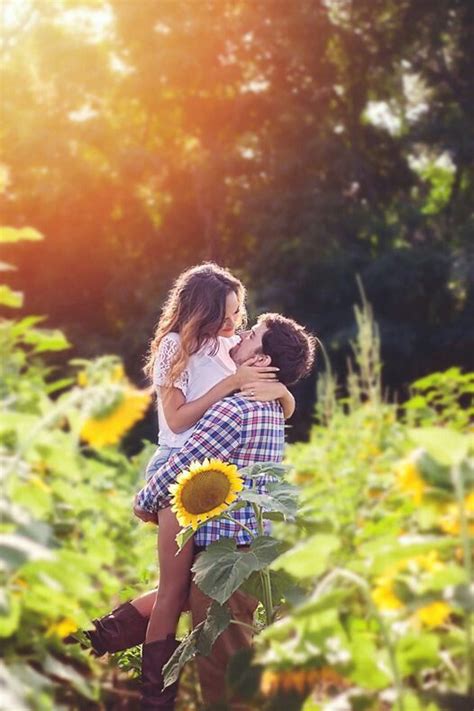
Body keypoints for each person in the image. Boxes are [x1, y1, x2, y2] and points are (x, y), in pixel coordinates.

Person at [69, 266, 295, 676]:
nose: (234, 323)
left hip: (211, 471)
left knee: (198, 587)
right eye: (227, 314)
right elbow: (177, 421)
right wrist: (232, 384)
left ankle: (97, 637)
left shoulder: (226, 347)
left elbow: (264, 388)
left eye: (239, 313)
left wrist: (282, 392)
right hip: (177, 472)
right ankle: (157, 692)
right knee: (175, 591)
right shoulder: (176, 346)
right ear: (201, 310)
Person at [134, 311, 316, 709]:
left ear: (262, 361)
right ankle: (107, 634)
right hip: (252, 554)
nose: (242, 333)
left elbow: (183, 472)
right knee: (234, 664)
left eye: (252, 334)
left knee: (222, 677)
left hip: (224, 561)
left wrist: (143, 500)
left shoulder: (232, 410)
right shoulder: (269, 409)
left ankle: (104, 640)